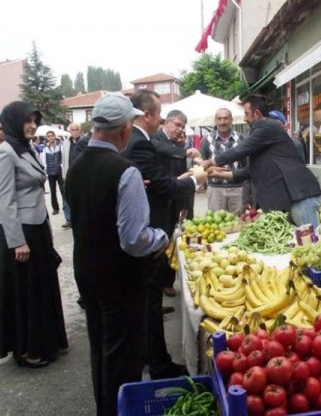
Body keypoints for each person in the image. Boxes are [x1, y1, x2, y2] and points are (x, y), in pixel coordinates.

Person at [65, 92, 168, 415]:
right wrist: (162, 237)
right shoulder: (125, 171)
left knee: (100, 349)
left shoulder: (76, 166)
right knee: (123, 358)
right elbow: (134, 239)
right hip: (120, 279)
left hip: (87, 271)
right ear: (124, 130)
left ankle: (104, 407)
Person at [123, 90, 206, 379]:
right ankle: (157, 364)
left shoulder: (139, 142)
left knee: (149, 300)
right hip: (148, 232)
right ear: (146, 114)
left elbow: (157, 178)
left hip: (149, 229)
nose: (160, 119)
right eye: (158, 113)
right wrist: (195, 180)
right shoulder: (139, 143)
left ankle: (151, 357)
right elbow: (161, 184)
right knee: (149, 302)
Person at [0, 101, 68, 368]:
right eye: (27, 121)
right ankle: (27, 348)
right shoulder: (5, 152)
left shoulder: (26, 149)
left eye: (35, 121)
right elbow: (4, 200)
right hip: (20, 233)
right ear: (14, 121)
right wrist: (17, 241)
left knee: (41, 287)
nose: (33, 125)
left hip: (36, 227)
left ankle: (47, 340)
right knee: (26, 292)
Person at [202, 94, 321, 227]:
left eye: (246, 114)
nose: (244, 118)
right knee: (298, 244)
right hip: (290, 198)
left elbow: (240, 149)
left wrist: (211, 162)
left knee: (311, 242)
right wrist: (220, 174)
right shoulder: (262, 137)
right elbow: (249, 171)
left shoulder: (266, 127)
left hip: (300, 196)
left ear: (257, 114)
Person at [152, 110, 201, 222]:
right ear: (167, 122)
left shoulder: (178, 143)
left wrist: (185, 204)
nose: (180, 129)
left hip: (178, 198)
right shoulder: (155, 139)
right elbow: (162, 149)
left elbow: (181, 172)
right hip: (162, 199)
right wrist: (185, 152)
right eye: (177, 125)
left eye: (183, 127)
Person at [200, 108, 247, 215]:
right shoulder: (206, 140)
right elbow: (200, 164)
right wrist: (211, 169)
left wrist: (246, 195)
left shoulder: (241, 139)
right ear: (215, 121)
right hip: (215, 190)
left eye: (226, 118)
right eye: (219, 118)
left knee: (238, 224)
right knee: (215, 226)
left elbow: (247, 166)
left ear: (231, 120)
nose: (222, 122)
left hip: (237, 189)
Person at [59, 122, 83, 229]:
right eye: (73, 130)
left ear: (80, 130)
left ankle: (80, 219)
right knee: (66, 198)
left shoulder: (84, 142)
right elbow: (64, 161)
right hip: (68, 175)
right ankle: (69, 220)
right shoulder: (65, 143)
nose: (75, 132)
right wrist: (64, 174)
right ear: (70, 131)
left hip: (81, 176)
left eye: (77, 129)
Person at [41, 131, 65, 215]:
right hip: (50, 172)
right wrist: (46, 173)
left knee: (63, 190)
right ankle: (55, 208)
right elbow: (44, 161)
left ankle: (65, 207)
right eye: (48, 136)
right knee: (52, 191)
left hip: (59, 171)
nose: (50, 138)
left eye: (52, 136)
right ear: (47, 138)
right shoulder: (45, 148)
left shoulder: (60, 146)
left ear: (54, 136)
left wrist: (61, 167)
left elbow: (63, 158)